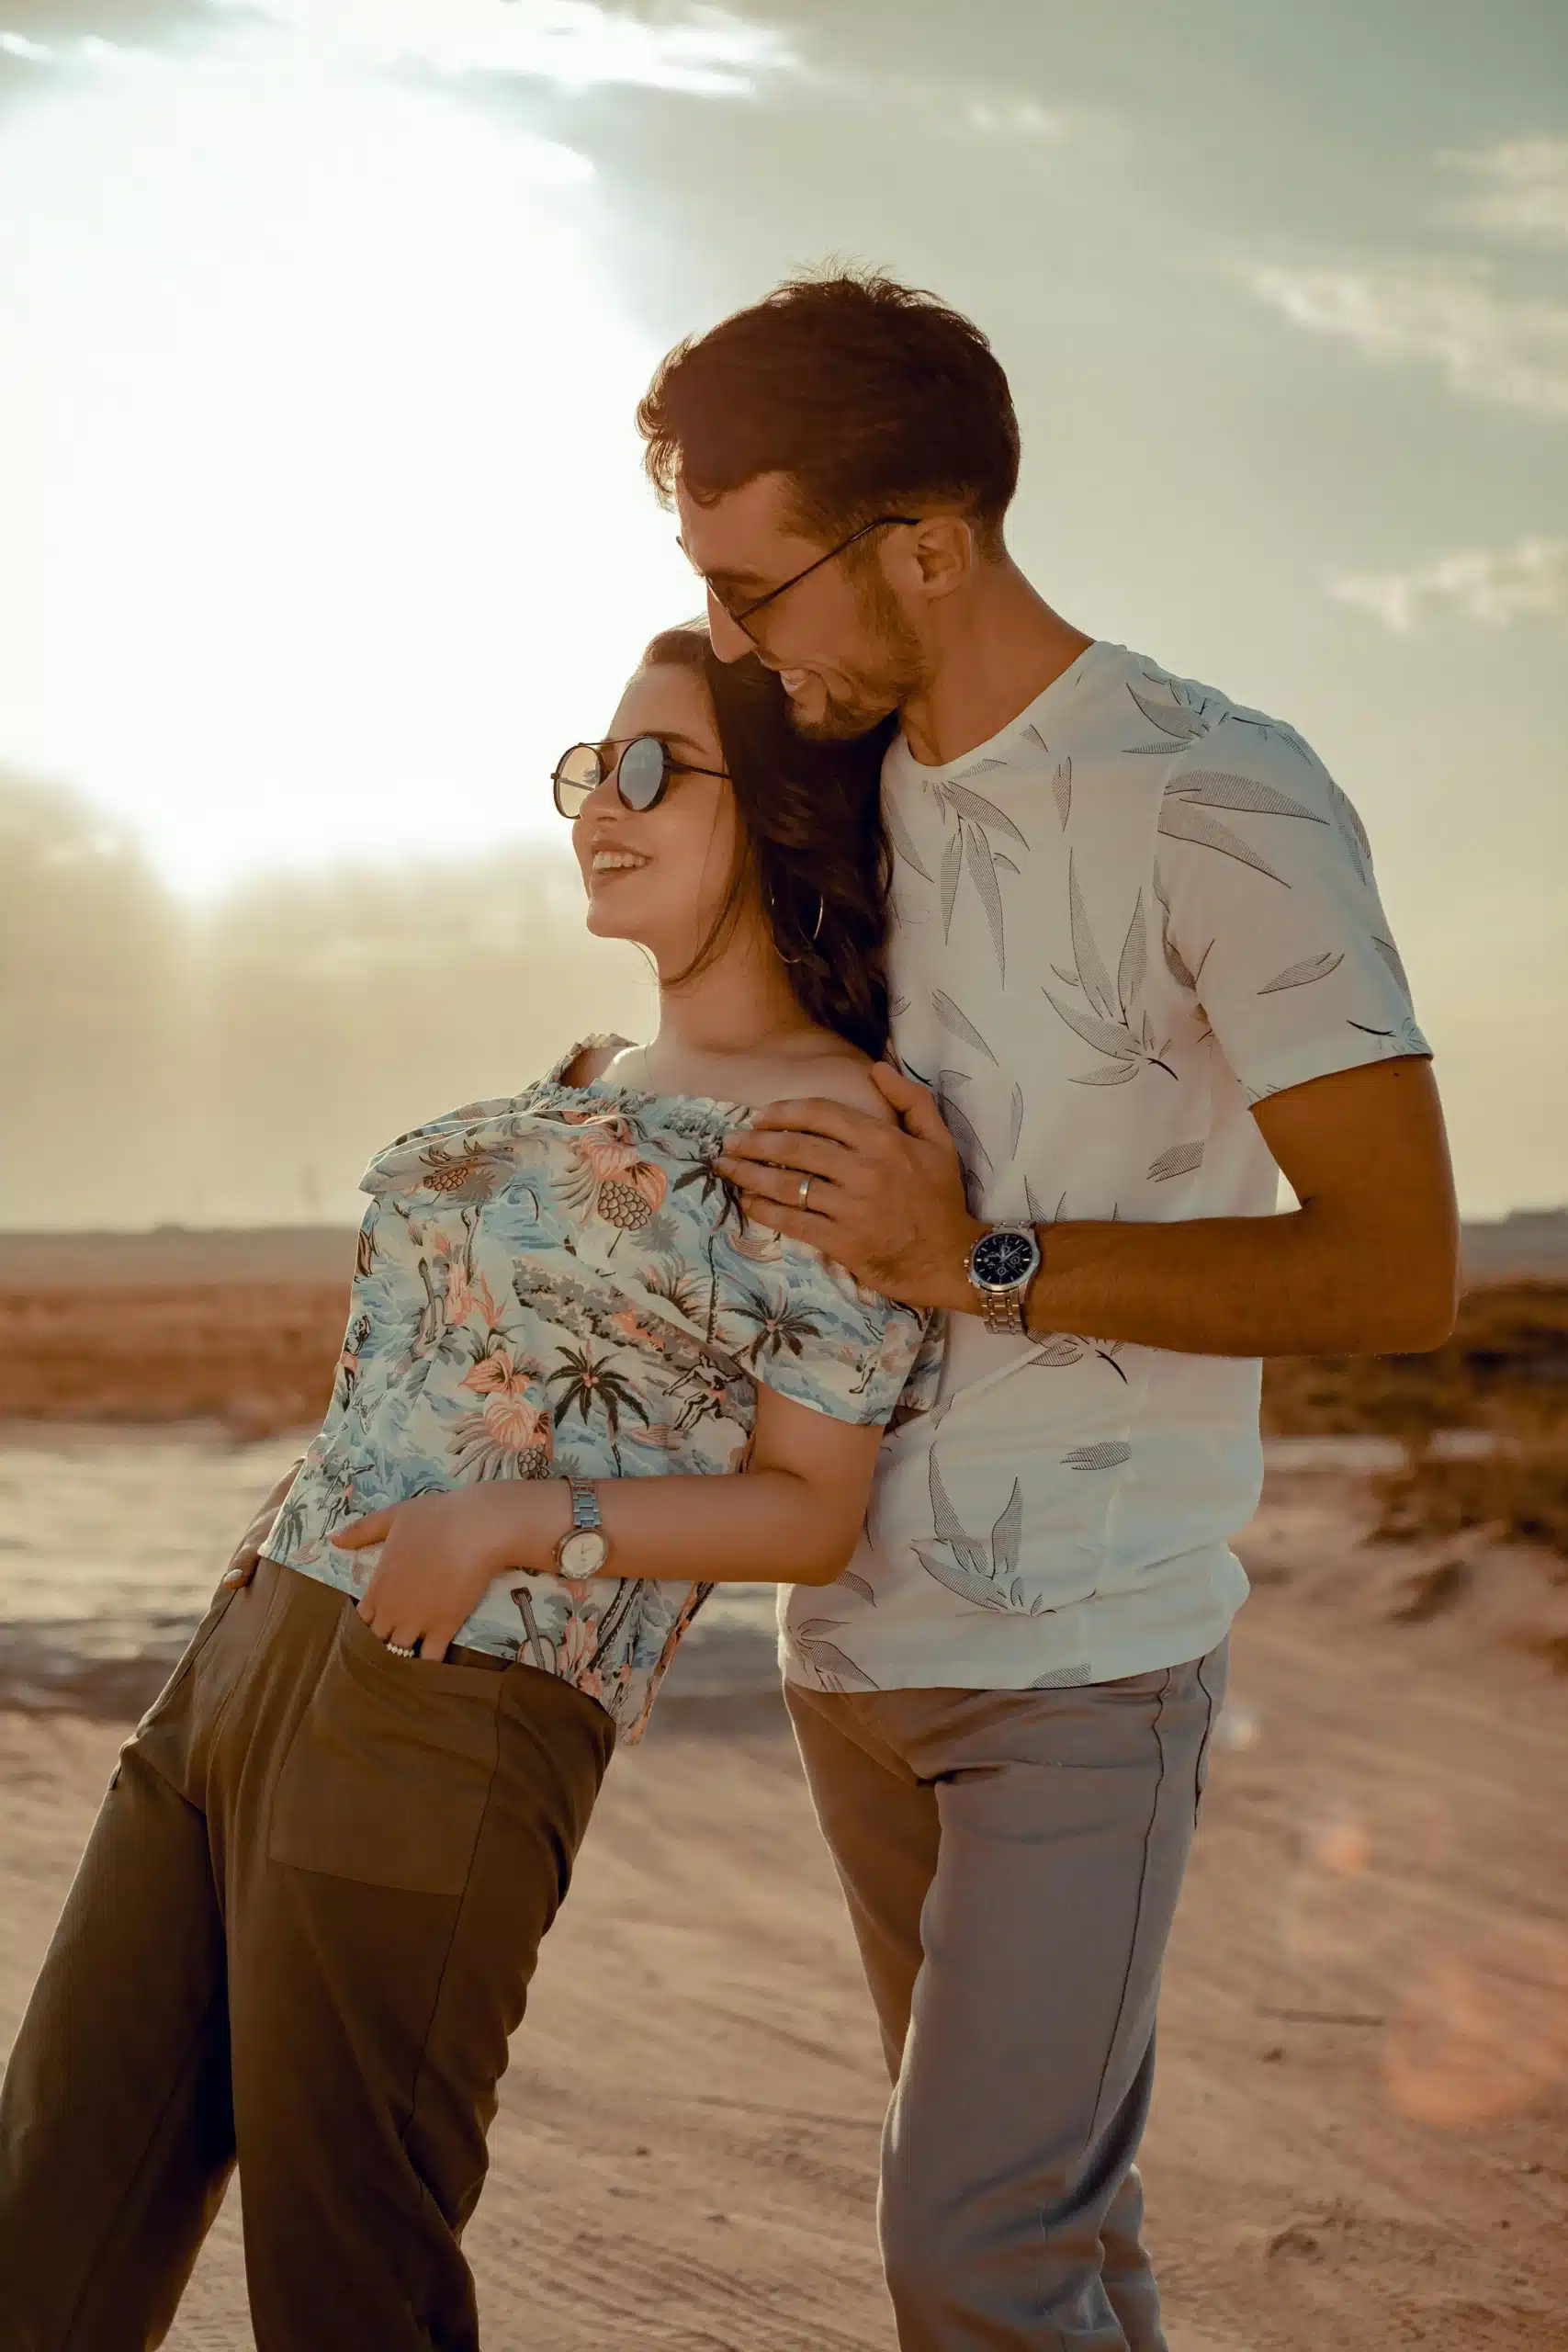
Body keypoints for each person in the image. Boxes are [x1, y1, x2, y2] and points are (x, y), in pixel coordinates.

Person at [637, 273, 1461, 2351]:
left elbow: (1394, 1264)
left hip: (1085, 1662)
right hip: (845, 1653)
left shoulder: (1219, 793)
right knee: (1061, 2248)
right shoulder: (824, 788)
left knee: (974, 2259)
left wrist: (972, 1256)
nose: (731, 638)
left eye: (753, 587)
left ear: (927, 544)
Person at [0, 626, 933, 2352]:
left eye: (652, 769)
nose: (599, 807)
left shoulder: (831, 1133)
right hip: (248, 1653)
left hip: (459, 1697)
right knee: (50, 2199)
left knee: (343, 2268)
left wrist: (513, 1522)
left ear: (780, 812)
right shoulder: (585, 1076)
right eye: (588, 769)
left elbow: (813, 1506)